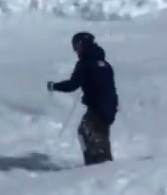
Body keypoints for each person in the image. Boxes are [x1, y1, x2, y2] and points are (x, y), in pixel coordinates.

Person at [48, 31, 118, 166]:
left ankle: (99, 168)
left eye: (75, 47)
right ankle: (102, 166)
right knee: (98, 135)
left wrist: (54, 86)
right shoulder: (104, 64)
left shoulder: (86, 64)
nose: (75, 51)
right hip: (109, 108)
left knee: (88, 132)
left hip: (98, 108)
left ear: (81, 45)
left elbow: (72, 85)